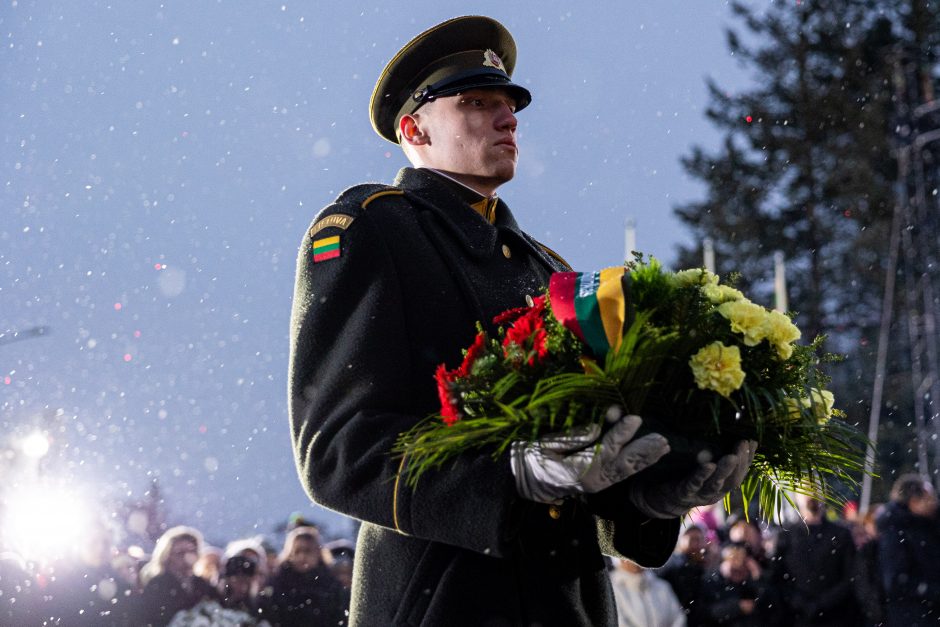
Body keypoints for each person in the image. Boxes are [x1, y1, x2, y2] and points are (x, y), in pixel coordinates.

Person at [287, 15, 756, 626]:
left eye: (509, 105)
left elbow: (586, 456)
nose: (507, 118)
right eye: (476, 103)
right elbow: (338, 451)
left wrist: (649, 497)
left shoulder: (548, 270)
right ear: (414, 129)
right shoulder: (371, 230)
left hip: (568, 605)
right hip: (441, 600)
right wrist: (504, 477)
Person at [770, 494, 860, 627]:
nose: (811, 496)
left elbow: (850, 576)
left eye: (815, 490)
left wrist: (823, 603)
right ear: (797, 498)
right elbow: (778, 577)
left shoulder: (841, 534)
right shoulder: (786, 537)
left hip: (836, 615)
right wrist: (798, 601)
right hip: (797, 616)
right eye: (805, 492)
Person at [877, 474, 940, 626]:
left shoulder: (928, 526)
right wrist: (931, 590)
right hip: (913, 616)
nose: (935, 502)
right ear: (914, 502)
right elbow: (895, 581)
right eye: (929, 498)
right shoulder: (896, 532)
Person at [261, 526, 347, 627]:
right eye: (297, 551)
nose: (302, 556)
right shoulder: (277, 585)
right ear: (289, 553)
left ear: (318, 553)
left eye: (307, 551)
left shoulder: (331, 586)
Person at [138, 526, 221, 626]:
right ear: (167, 555)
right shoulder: (157, 584)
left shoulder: (203, 584)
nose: (186, 557)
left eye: (191, 551)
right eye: (180, 552)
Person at [610, 558, 686, 627]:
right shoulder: (611, 588)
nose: (633, 561)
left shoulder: (662, 586)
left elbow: (678, 618)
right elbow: (618, 622)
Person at [658, 525, 710, 626]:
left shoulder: (707, 563)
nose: (696, 544)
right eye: (692, 539)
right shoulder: (672, 563)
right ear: (681, 540)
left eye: (699, 539)